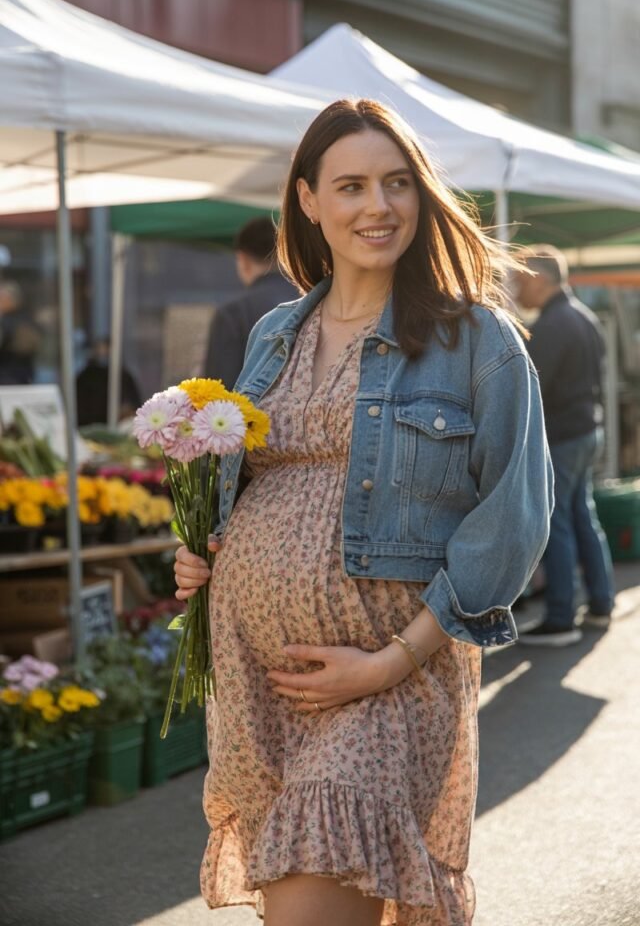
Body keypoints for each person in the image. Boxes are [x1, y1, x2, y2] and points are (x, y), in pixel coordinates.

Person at [174, 99, 552, 926]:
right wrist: (209, 551)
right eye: (350, 186)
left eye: (396, 183)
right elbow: (254, 483)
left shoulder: (477, 339)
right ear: (308, 199)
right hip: (258, 679)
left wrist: (393, 661)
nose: (378, 207)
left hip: (389, 681)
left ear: (422, 196)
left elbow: (515, 520)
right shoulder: (275, 332)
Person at [513, 246, 616, 646]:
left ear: (540, 280)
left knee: (557, 523)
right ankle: (600, 603)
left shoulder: (555, 324)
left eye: (521, 281)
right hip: (588, 430)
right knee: (581, 517)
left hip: (564, 435)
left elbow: (532, 383)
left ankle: (561, 617)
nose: (518, 289)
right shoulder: (583, 317)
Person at [202, 215, 299, 385]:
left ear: (243, 259)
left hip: (250, 410)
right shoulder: (317, 302)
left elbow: (218, 391)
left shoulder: (233, 313)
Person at [75, 338, 141, 426]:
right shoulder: (84, 377)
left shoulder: (122, 375)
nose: (103, 352)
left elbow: (132, 406)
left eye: (105, 348)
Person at [0, 280, 41, 385]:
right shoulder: (28, 319)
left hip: (7, 377)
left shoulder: (7, 322)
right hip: (23, 376)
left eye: (1, 298)